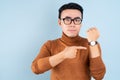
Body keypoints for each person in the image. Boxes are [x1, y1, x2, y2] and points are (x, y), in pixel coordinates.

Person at [31, 2, 106, 80]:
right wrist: (63, 55)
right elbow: (35, 68)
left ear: (81, 23)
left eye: (77, 20)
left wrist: (93, 43)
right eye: (67, 19)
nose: (72, 24)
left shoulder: (91, 44)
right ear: (60, 22)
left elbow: (99, 76)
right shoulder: (50, 45)